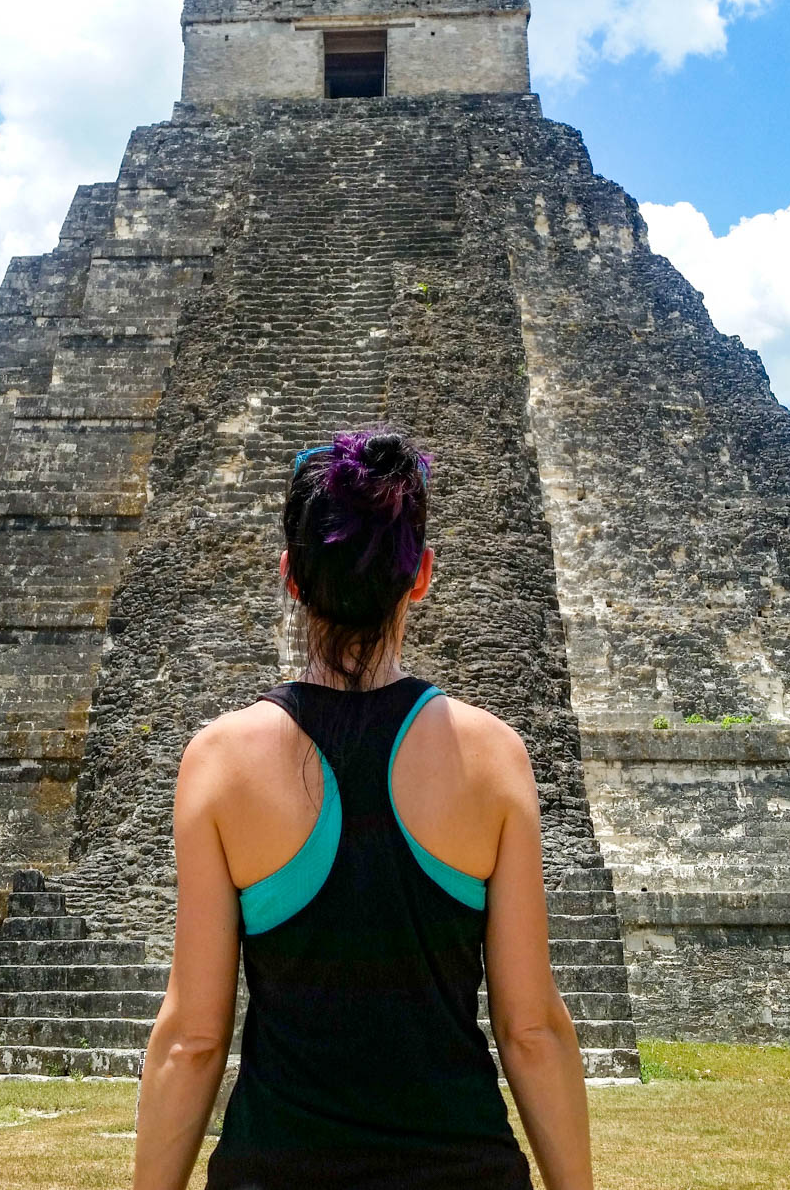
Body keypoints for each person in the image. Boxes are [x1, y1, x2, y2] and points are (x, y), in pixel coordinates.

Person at [132, 428, 595, 1190]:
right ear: (420, 576)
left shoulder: (220, 761)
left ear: (291, 576)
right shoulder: (492, 756)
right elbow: (531, 1029)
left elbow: (193, 1038)